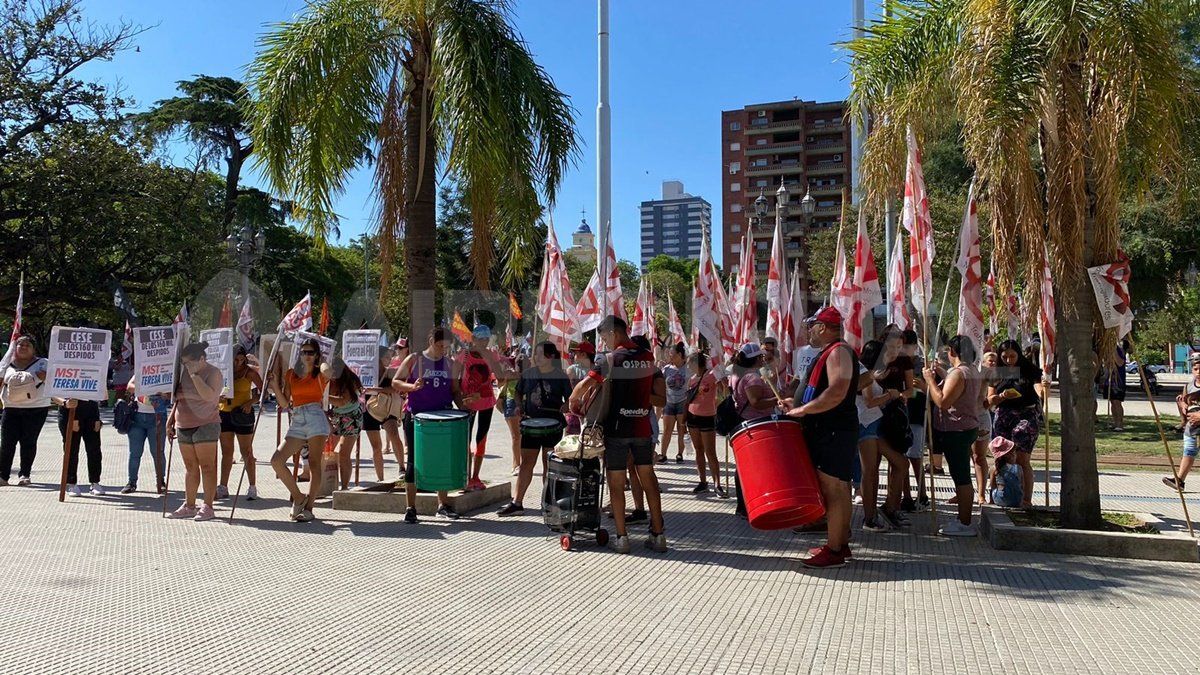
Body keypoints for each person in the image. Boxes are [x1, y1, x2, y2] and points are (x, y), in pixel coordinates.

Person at [569, 315, 668, 554]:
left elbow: (586, 385)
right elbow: (657, 396)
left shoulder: (609, 359)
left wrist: (573, 401)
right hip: (642, 426)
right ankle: (658, 534)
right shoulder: (647, 357)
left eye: (604, 337)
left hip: (616, 428)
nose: (605, 342)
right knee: (648, 477)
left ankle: (622, 538)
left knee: (615, 481)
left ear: (613, 333)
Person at [782, 307, 858, 569]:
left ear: (823, 328)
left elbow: (837, 392)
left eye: (813, 326)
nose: (810, 331)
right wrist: (798, 402)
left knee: (834, 490)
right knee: (838, 489)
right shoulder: (833, 351)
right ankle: (839, 543)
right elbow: (824, 391)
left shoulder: (838, 351)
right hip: (829, 430)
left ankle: (834, 550)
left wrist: (803, 409)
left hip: (833, 431)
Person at [393, 327, 462, 523]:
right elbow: (397, 382)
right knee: (414, 462)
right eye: (440, 345)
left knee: (442, 459)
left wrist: (465, 407)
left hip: (442, 417)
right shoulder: (415, 359)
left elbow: (455, 391)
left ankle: (442, 505)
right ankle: (410, 507)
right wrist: (412, 387)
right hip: (417, 417)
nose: (443, 350)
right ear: (431, 341)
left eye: (446, 347)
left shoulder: (450, 364)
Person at [497, 341, 571, 516]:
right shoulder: (529, 374)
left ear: (550, 357)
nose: (535, 357)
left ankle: (549, 502)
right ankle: (517, 502)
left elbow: (570, 398)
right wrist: (518, 405)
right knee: (525, 464)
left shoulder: (560, 376)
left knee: (549, 466)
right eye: (535, 354)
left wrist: (566, 405)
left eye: (539, 354)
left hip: (553, 425)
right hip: (531, 425)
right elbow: (517, 392)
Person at [267, 337, 331, 522]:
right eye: (304, 352)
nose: (306, 355)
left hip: (315, 416)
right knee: (277, 461)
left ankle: (309, 508)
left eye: (311, 352)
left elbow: (329, 372)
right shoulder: (291, 374)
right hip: (297, 417)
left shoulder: (320, 373)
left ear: (317, 355)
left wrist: (323, 363)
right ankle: (299, 497)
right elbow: (285, 403)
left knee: (314, 463)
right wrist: (274, 385)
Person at [924, 335, 982, 536]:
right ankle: (962, 518)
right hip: (965, 427)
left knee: (961, 477)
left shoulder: (959, 373)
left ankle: (965, 523)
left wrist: (930, 381)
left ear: (953, 351)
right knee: (961, 475)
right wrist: (940, 372)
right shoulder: (971, 370)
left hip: (957, 430)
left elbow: (943, 402)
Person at [166, 342, 224, 521]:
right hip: (184, 423)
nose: (187, 366)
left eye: (190, 363)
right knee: (190, 467)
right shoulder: (183, 373)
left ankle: (208, 506)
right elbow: (178, 399)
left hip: (206, 423)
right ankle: (189, 505)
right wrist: (170, 421)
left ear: (202, 359)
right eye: (184, 363)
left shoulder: (213, 372)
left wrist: (195, 376)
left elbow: (209, 396)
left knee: (207, 466)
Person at [856, 340, 905, 531]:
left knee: (898, 464)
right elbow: (869, 401)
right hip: (866, 425)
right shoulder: (865, 373)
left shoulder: (871, 374)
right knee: (870, 472)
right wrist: (890, 395)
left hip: (873, 425)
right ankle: (870, 518)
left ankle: (887, 508)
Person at [867, 330, 914, 528]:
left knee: (898, 463)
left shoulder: (904, 362)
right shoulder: (874, 360)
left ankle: (890, 507)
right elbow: (867, 394)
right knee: (873, 467)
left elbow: (910, 389)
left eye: (898, 347)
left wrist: (901, 395)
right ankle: (872, 513)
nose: (895, 351)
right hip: (874, 420)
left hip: (895, 418)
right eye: (891, 346)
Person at [454, 325, 507, 491]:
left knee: (481, 439)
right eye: (480, 339)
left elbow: (500, 379)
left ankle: (475, 477)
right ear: (473, 339)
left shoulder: (492, 355)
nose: (483, 342)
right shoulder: (464, 355)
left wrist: (504, 373)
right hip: (467, 403)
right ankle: (465, 477)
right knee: (465, 441)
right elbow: (454, 381)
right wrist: (461, 400)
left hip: (486, 402)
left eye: (486, 339)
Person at [988, 339, 1041, 508]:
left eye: (1012, 356)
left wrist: (1042, 391)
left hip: (1026, 415)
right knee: (1000, 458)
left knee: (1022, 459)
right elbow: (989, 400)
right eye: (1005, 357)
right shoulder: (996, 373)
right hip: (1003, 415)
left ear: (1018, 354)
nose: (1009, 360)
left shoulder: (1028, 370)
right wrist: (1002, 396)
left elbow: (1038, 386)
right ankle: (995, 495)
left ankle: (1026, 499)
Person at [729, 343, 777, 504]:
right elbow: (756, 402)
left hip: (744, 423)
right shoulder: (752, 377)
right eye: (761, 356)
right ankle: (749, 503)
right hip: (755, 425)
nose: (764, 359)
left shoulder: (738, 374)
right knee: (753, 465)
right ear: (756, 358)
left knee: (743, 465)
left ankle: (744, 504)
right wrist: (778, 400)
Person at [0, 336, 51, 486]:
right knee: (7, 443)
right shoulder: (5, 364)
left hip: (36, 409)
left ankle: (25, 475)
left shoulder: (43, 363)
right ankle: (3, 476)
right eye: (20, 345)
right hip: (11, 409)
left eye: (27, 345)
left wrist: (45, 377)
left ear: (33, 348)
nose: (23, 347)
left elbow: (55, 383)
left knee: (28, 442)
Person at [216, 345, 263, 500]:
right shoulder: (224, 371)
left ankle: (252, 486)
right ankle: (223, 487)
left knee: (247, 451)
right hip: (225, 413)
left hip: (243, 414)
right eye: (236, 359)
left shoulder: (249, 372)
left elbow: (262, 392)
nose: (238, 363)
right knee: (227, 452)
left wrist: (250, 402)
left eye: (242, 360)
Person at [363, 343, 406, 482]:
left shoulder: (391, 372)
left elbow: (395, 388)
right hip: (369, 408)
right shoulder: (366, 372)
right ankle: (380, 478)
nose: (390, 359)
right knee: (376, 446)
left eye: (390, 356)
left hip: (386, 407)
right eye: (387, 357)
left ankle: (402, 468)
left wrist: (378, 390)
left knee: (394, 435)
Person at [900, 329, 930, 512]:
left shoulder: (921, 366)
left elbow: (931, 393)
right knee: (900, 458)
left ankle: (923, 495)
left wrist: (924, 387)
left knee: (915, 456)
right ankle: (906, 497)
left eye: (905, 346)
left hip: (916, 415)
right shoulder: (893, 363)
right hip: (898, 416)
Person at [686, 352, 724, 497]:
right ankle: (702, 482)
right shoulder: (692, 379)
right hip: (692, 416)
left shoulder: (712, 375)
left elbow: (722, 391)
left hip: (708, 416)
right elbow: (688, 399)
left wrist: (720, 399)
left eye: (690, 363)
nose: (688, 366)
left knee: (710, 451)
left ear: (696, 363)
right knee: (698, 450)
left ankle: (717, 484)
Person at [124, 374, 169, 494]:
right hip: (137, 417)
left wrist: (163, 394)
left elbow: (170, 394)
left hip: (157, 416)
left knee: (158, 452)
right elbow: (129, 386)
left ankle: (161, 481)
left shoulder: (165, 372)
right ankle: (131, 482)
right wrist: (145, 390)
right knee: (135, 452)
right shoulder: (142, 368)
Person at [326, 356, 364, 491]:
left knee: (343, 452)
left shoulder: (349, 380)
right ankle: (328, 483)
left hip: (352, 418)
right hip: (337, 417)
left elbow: (342, 401)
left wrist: (323, 397)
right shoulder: (327, 381)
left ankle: (345, 486)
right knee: (327, 450)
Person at [53, 397, 104, 496]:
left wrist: (97, 416)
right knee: (71, 450)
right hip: (69, 411)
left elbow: (101, 392)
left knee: (94, 450)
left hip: (91, 412)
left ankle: (95, 482)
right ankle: (71, 483)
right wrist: (64, 403)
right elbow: (52, 392)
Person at [1164, 356, 1200, 490]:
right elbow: (1186, 404)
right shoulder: (1189, 386)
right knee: (1189, 451)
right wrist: (1182, 405)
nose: (1198, 372)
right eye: (1195, 369)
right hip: (1192, 429)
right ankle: (1179, 480)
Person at [659, 342, 689, 463]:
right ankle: (663, 454)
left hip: (683, 402)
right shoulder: (666, 369)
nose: (670, 356)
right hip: (669, 403)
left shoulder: (688, 369)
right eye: (669, 354)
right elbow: (660, 384)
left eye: (672, 354)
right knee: (667, 430)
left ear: (679, 354)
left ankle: (680, 454)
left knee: (681, 429)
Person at [496, 348, 524, 475]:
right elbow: (499, 382)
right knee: (516, 437)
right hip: (511, 403)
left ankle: (522, 463)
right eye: (519, 363)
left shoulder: (531, 374)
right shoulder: (509, 374)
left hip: (526, 405)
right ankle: (516, 465)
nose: (522, 366)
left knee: (523, 437)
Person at [1098, 340, 1129, 431]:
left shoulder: (1119, 351)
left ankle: (1120, 423)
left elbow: (1120, 362)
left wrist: (1113, 350)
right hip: (1110, 380)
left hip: (1118, 381)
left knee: (1117, 402)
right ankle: (1115, 422)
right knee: (1112, 401)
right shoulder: (1109, 352)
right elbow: (1106, 364)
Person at [988, 437, 1023, 507]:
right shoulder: (1019, 468)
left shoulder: (994, 468)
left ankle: (993, 501)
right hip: (1017, 500)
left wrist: (991, 501)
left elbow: (992, 486)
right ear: (1009, 455)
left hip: (1000, 500)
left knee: (996, 489)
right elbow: (1022, 485)